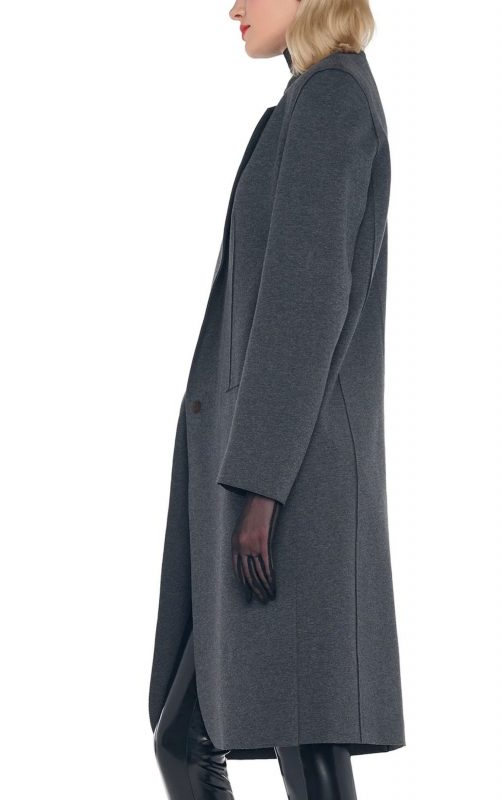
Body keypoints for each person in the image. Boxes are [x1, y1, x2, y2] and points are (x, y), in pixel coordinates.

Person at [149, 1, 406, 797]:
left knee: (288, 729)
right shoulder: (308, 102)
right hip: (272, 465)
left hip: (286, 479)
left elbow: (307, 302)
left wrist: (263, 489)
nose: (233, 7)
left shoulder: (329, 101)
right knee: (214, 730)